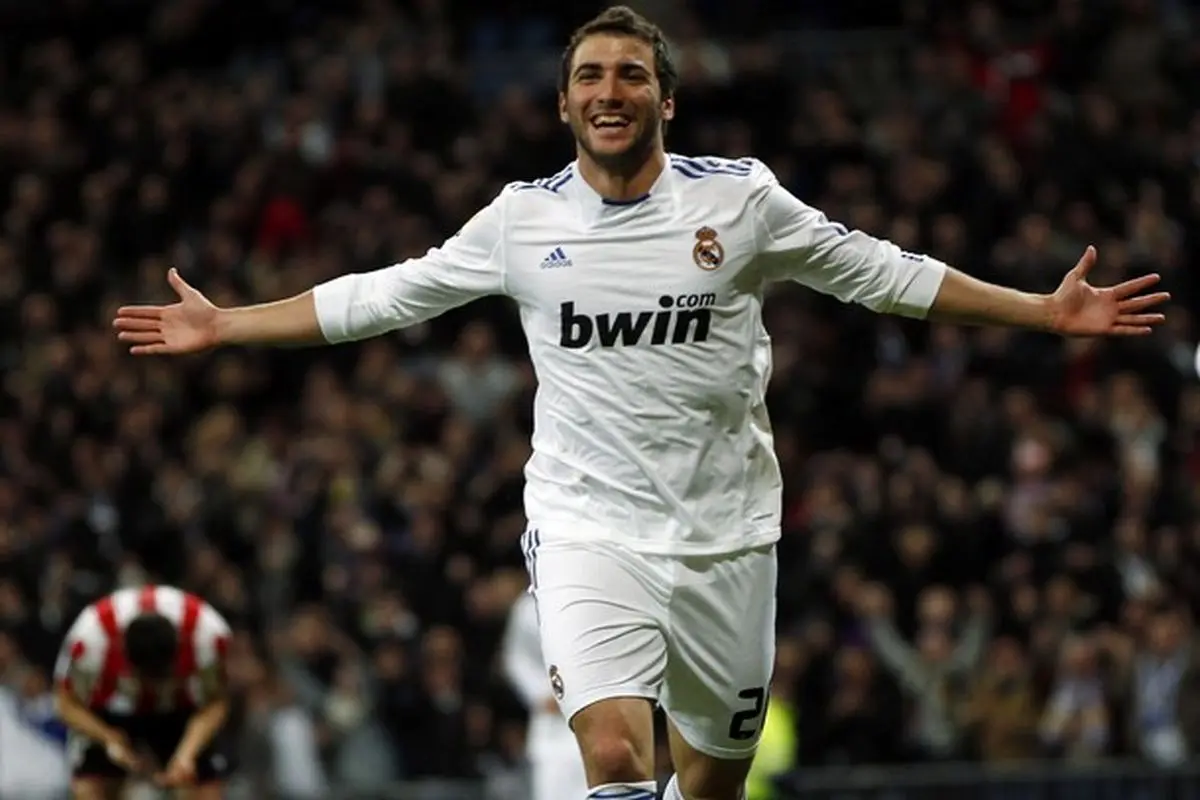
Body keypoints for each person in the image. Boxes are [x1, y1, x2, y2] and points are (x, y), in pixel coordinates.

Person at [111, 6, 1169, 797]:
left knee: (709, 781)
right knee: (614, 753)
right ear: (563, 102)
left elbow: (882, 272)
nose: (607, 90)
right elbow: (386, 294)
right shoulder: (522, 221)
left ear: (666, 101)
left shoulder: (740, 201)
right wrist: (229, 323)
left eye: (630, 74)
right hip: (588, 526)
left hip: (728, 535)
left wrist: (1041, 312)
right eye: (588, 75)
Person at [53, 585, 233, 800]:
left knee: (205, 792)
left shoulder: (209, 636)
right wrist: (108, 738)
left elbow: (217, 701)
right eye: (146, 679)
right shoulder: (88, 640)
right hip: (113, 708)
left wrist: (187, 752)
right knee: (89, 790)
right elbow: (65, 703)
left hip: (181, 706)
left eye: (161, 679)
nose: (152, 689)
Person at [502, 590, 589, 800]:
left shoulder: (598, 593)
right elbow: (517, 659)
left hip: (596, 712)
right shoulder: (529, 605)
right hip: (553, 731)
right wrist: (542, 694)